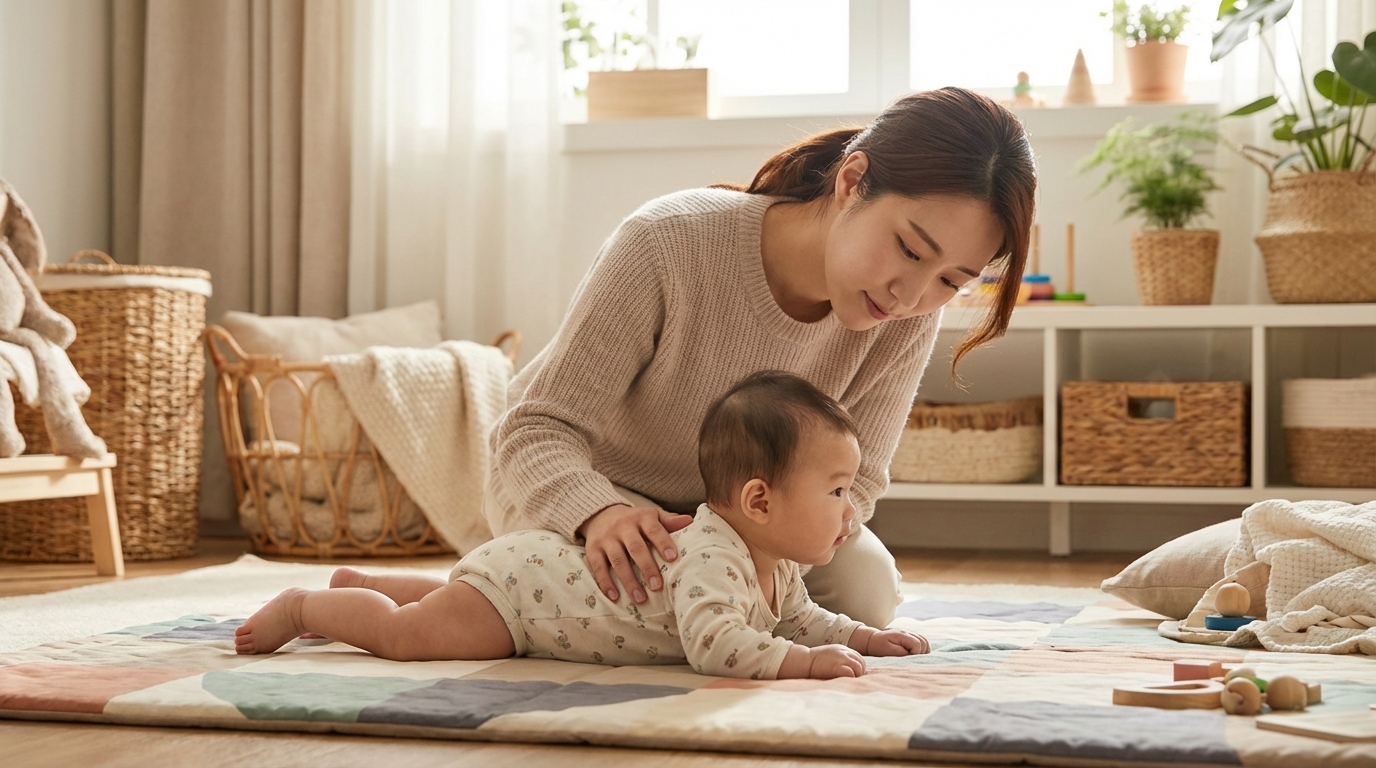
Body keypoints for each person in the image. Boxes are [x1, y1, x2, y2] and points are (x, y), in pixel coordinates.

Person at [483, 87, 1038, 628]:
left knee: (862, 594)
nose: (910, 295)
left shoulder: (908, 317)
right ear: (852, 181)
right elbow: (537, 429)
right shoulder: (667, 241)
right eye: (910, 249)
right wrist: (600, 515)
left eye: (950, 280)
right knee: (651, 604)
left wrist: (751, 547)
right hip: (590, 484)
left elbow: (860, 477)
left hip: (755, 516)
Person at [234, 372, 930, 680]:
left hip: (532, 577)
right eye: (837, 490)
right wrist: (804, 667)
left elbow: (800, 620)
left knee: (452, 602)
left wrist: (862, 636)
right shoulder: (715, 560)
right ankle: (310, 606)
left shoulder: (773, 564)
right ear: (758, 502)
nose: (852, 506)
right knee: (412, 638)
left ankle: (372, 582)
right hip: (528, 604)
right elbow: (717, 646)